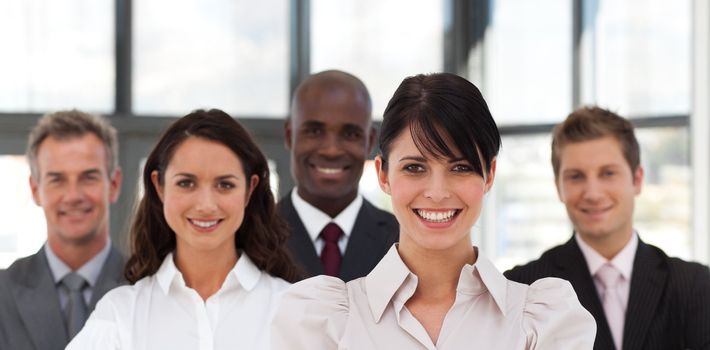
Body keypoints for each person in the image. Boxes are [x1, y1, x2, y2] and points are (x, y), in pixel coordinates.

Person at [272, 73, 596, 349]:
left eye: (461, 167)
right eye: (415, 167)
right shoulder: (322, 321)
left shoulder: (542, 321)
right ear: (384, 174)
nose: (438, 193)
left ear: (490, 175)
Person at [67, 109, 300, 349]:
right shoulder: (120, 314)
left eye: (225, 184)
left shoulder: (293, 310)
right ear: (159, 186)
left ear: (249, 190)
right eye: (186, 183)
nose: (206, 205)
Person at [505, 106, 710, 350]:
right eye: (576, 176)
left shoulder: (694, 286)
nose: (593, 193)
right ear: (558, 186)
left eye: (608, 173)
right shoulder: (522, 289)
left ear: (637, 180)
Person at [0, 110, 125, 350]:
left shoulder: (148, 289)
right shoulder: (2, 293)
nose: (73, 196)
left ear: (114, 184)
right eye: (57, 179)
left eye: (89, 177)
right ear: (35, 189)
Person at [280, 69, 398, 282]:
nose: (331, 150)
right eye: (314, 131)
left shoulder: (402, 242)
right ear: (290, 136)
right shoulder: (251, 237)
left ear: (370, 142)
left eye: (350, 134)